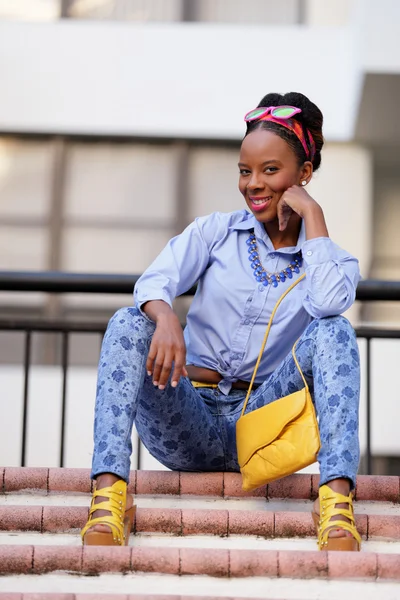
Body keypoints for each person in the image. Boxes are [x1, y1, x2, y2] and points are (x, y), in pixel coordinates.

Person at [81, 92, 361, 552]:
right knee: (129, 322)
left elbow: (330, 303)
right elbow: (154, 281)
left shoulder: (330, 260)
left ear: (303, 174)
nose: (253, 183)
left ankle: (335, 505)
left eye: (270, 170)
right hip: (187, 419)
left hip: (263, 428)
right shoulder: (215, 232)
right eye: (245, 171)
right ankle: (109, 497)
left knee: (335, 331)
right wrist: (166, 315)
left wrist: (313, 216)